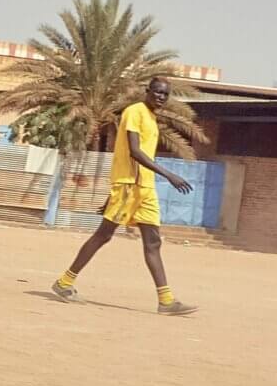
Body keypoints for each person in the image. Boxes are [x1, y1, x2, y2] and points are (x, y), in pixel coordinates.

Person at [52, 75, 196, 314]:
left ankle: (166, 301)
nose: (161, 97)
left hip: (145, 187)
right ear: (147, 91)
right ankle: (65, 282)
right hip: (129, 185)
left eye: (165, 94)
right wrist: (170, 175)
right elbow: (135, 152)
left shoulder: (151, 118)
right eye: (157, 92)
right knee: (104, 235)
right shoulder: (135, 112)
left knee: (153, 241)